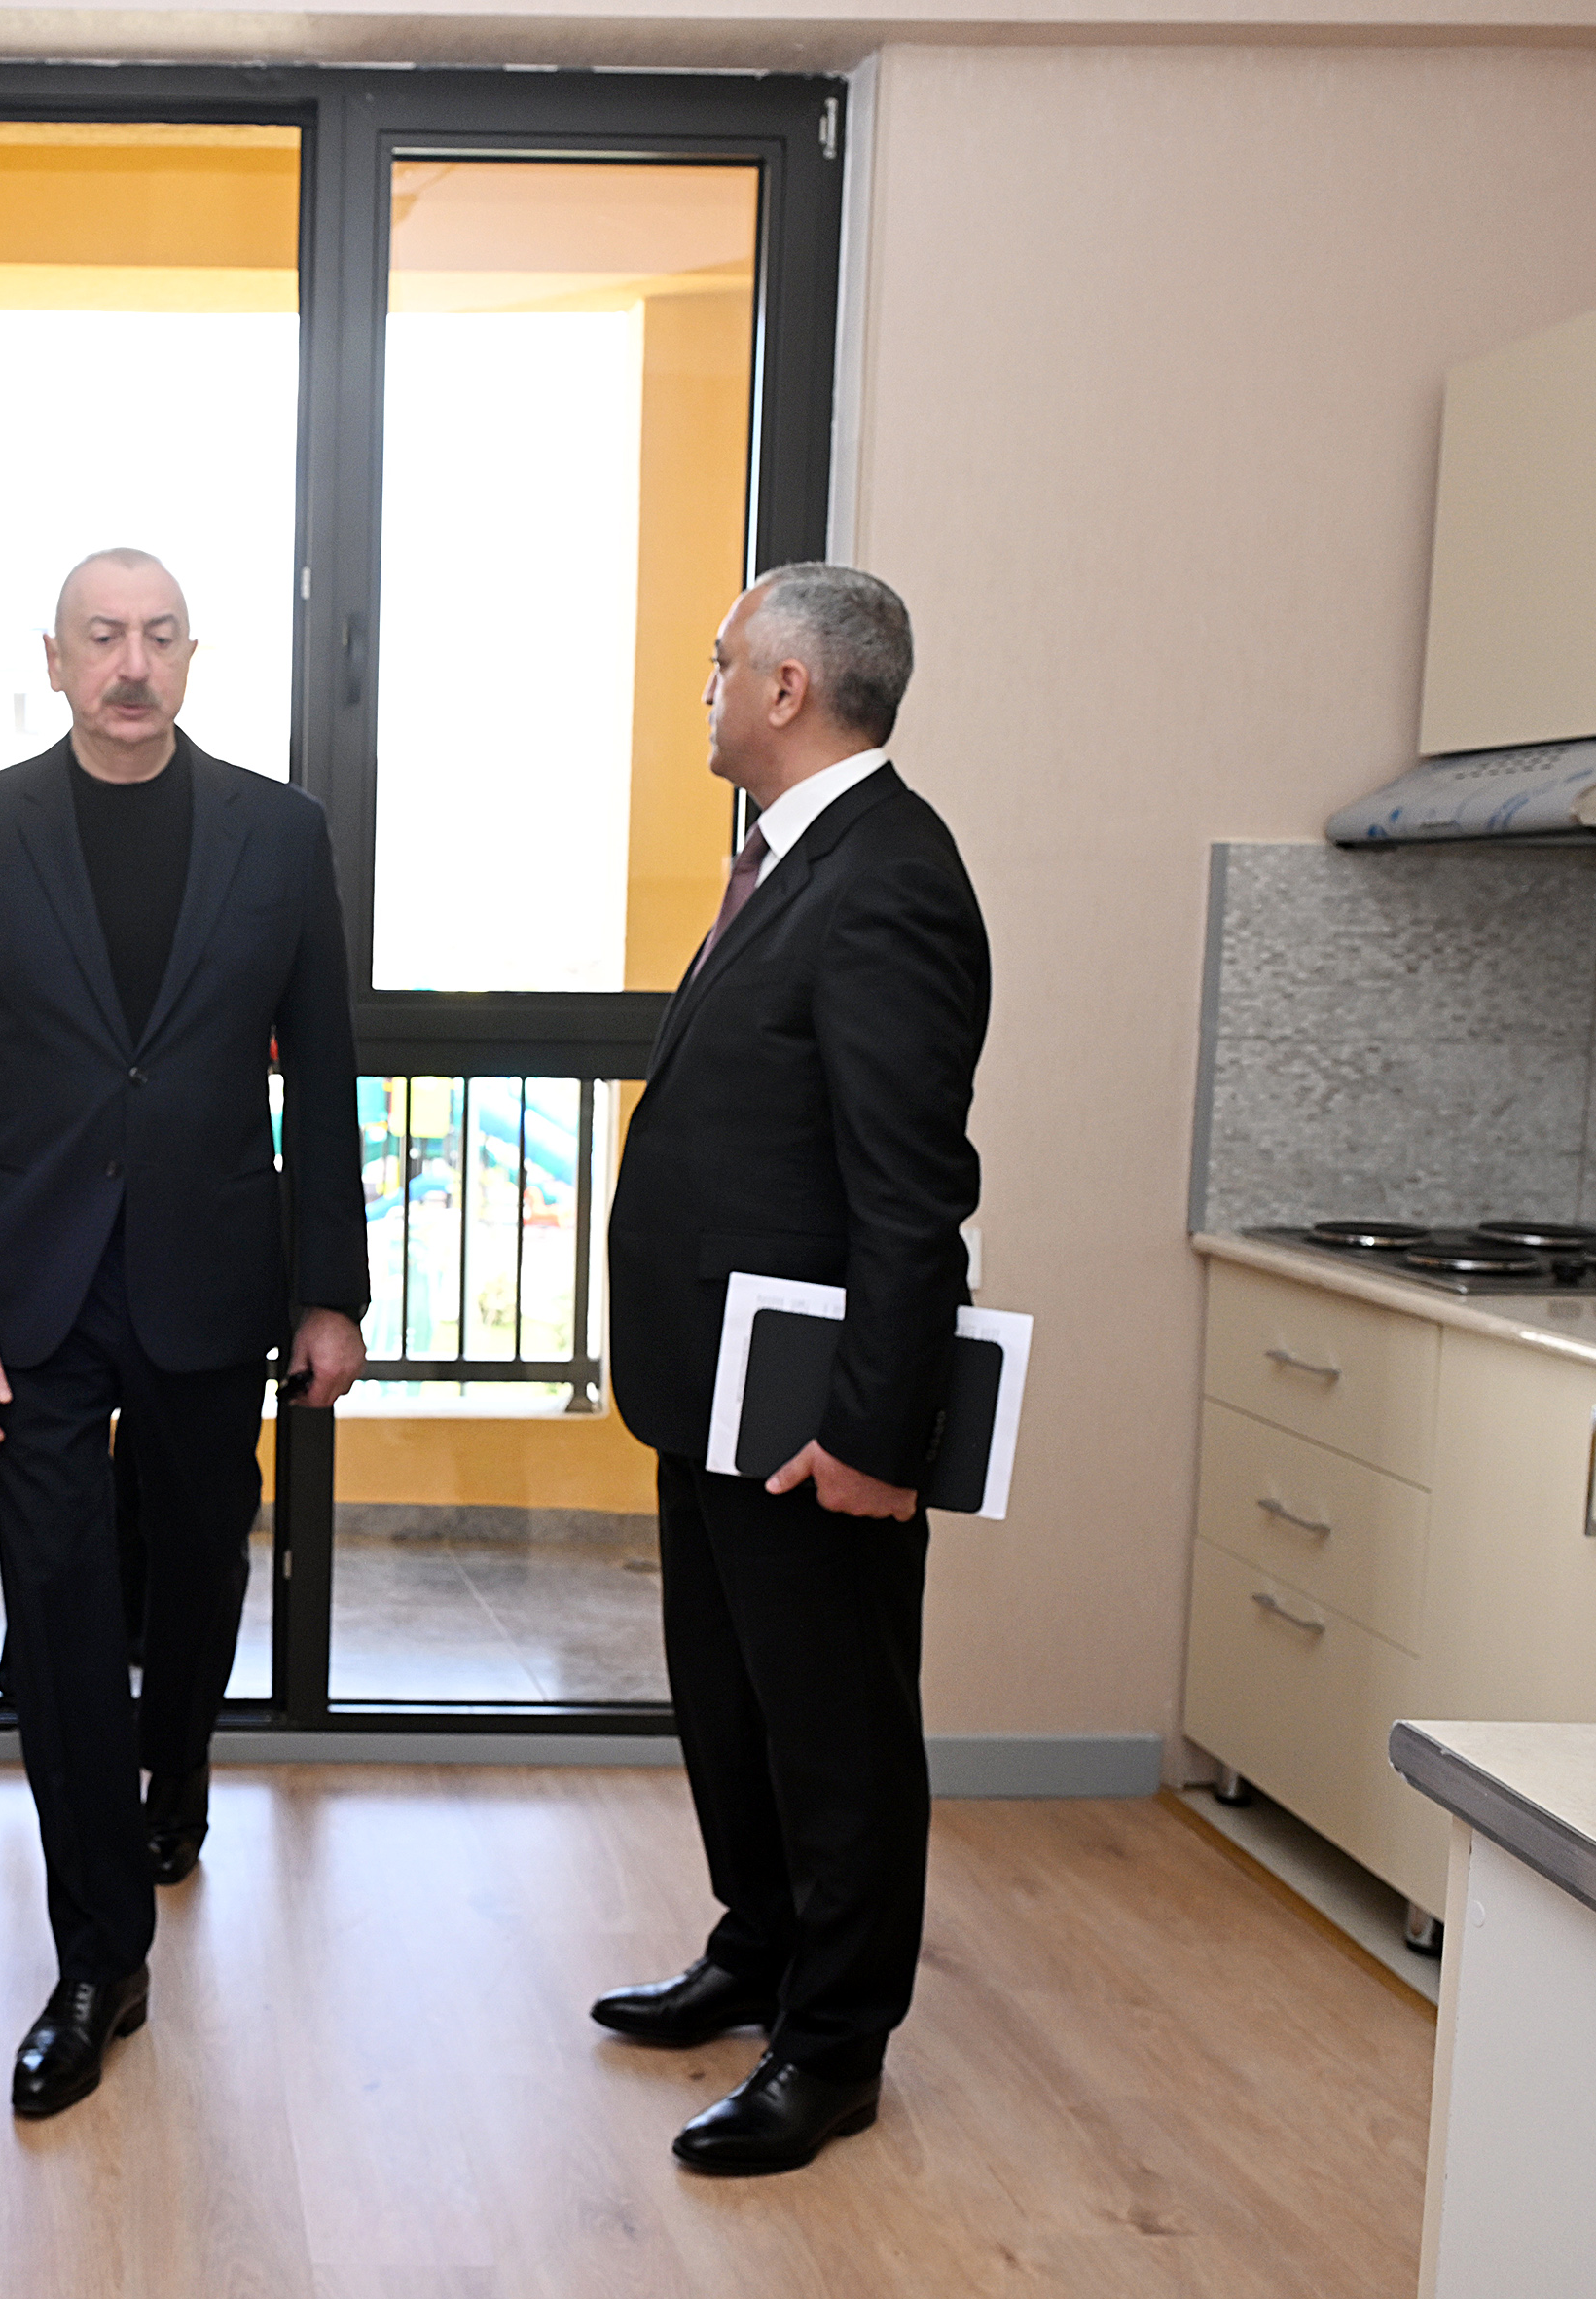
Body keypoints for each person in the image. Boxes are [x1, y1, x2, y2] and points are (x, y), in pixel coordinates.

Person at [0, 548, 369, 2118]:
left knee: (198, 1558)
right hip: (26, 1286)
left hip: (210, 1272)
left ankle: (179, 1767)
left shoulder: (279, 834)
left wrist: (331, 1289)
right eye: (103, 636)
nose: (131, 663)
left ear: (189, 657)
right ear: (55, 659)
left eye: (159, 636)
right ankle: (98, 1957)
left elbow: (325, 1073)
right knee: (58, 1604)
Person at [594, 563, 990, 2175]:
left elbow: (912, 1196)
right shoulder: (785, 857)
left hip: (814, 1414)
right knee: (733, 1700)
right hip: (712, 1389)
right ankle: (756, 1949)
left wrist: (876, 1439)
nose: (705, 689)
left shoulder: (890, 878)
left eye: (721, 663)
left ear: (787, 689)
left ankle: (832, 2047)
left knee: (836, 1732)